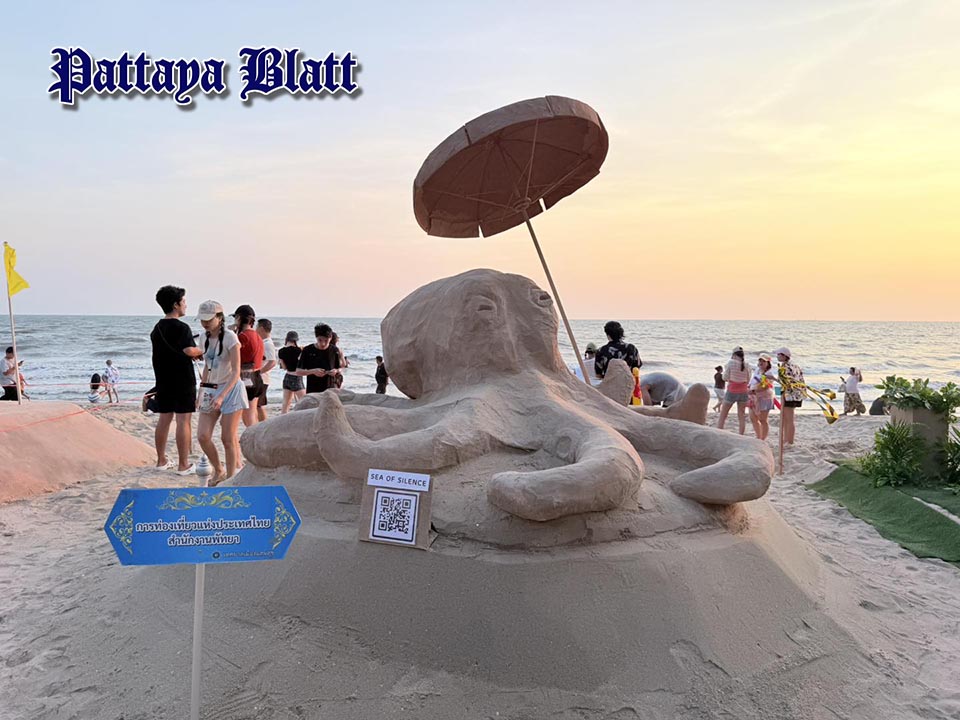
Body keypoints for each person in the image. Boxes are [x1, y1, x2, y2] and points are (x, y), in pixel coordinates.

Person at [150, 286, 203, 473]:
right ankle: (183, 464)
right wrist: (201, 351)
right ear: (175, 304)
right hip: (182, 380)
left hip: (163, 380)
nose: (186, 305)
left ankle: (161, 461)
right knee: (183, 420)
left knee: (164, 419)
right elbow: (188, 350)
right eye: (183, 301)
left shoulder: (157, 329)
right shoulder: (182, 328)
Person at [196, 301, 248, 485]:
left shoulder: (230, 337)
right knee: (203, 436)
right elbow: (207, 367)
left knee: (227, 438)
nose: (205, 323)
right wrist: (201, 390)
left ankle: (231, 478)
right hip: (211, 388)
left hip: (231, 389)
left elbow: (236, 371)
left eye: (209, 319)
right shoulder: (203, 337)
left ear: (219, 318)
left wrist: (222, 395)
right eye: (202, 319)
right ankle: (219, 470)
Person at [232, 305, 264, 428]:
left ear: (239, 318)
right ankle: (256, 436)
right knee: (252, 412)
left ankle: (253, 437)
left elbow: (232, 355)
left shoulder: (242, 336)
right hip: (257, 376)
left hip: (247, 377)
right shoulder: (257, 336)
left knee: (248, 415)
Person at [717, 347, 752, 435]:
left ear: (734, 354)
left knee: (723, 414)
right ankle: (741, 434)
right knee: (741, 415)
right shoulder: (747, 364)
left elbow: (725, 377)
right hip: (743, 391)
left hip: (732, 390)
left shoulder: (730, 363)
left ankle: (719, 432)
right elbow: (748, 379)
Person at [297, 323, 341, 393]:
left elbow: (339, 368)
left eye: (326, 340)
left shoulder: (335, 350)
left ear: (330, 338)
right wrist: (313, 371)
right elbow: (298, 371)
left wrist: (335, 371)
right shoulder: (307, 350)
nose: (323, 343)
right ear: (316, 337)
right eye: (320, 340)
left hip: (330, 391)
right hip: (313, 391)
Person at [776, 347, 804, 446]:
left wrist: (772, 378)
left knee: (788, 418)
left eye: (779, 354)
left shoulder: (786, 367)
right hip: (796, 394)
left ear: (784, 356)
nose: (777, 356)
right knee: (786, 418)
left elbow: (784, 382)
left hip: (789, 395)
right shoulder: (794, 365)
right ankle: (786, 439)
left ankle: (789, 441)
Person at [748, 354, 777, 440]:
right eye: (760, 360)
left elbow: (765, 386)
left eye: (764, 361)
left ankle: (763, 438)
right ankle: (758, 436)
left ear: (768, 363)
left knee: (763, 419)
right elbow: (752, 381)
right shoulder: (757, 370)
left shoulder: (768, 373)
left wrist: (753, 390)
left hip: (764, 397)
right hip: (754, 397)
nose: (761, 362)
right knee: (753, 417)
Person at [256, 318, 277, 422]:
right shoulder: (263, 342)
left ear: (261, 328)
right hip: (260, 379)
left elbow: (272, 362)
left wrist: (259, 372)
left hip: (262, 379)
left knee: (259, 405)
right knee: (257, 405)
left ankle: (264, 424)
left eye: (256, 327)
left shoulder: (268, 344)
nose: (255, 329)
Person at [278, 331, 305, 414]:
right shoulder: (299, 351)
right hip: (296, 378)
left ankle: (282, 420)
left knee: (286, 404)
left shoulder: (281, 351)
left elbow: (284, 367)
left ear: (287, 339)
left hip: (287, 377)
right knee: (304, 402)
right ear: (296, 340)